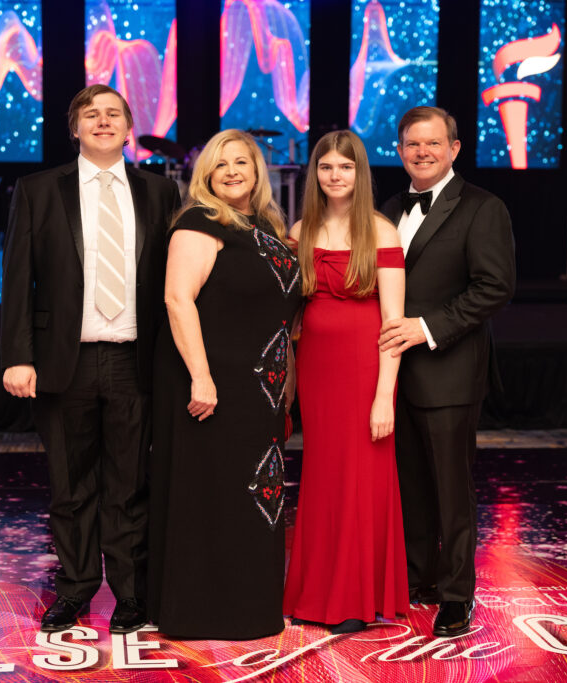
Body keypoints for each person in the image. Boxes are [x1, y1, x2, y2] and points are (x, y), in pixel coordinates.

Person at [0, 84, 181, 634]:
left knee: (130, 486)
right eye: (90, 114)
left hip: (136, 361)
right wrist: (17, 356)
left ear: (129, 128)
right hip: (63, 361)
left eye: (113, 114)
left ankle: (131, 595)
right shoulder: (37, 190)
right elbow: (17, 281)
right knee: (70, 486)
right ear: (74, 128)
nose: (102, 122)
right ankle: (75, 589)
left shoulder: (160, 192)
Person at [149, 129, 302, 640]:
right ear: (206, 176)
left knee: (257, 498)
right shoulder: (200, 223)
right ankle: (204, 613)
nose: (233, 171)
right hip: (214, 388)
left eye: (243, 162)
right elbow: (177, 299)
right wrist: (201, 375)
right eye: (221, 164)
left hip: (260, 394)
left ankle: (250, 608)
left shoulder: (266, 229)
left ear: (258, 171)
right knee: (213, 494)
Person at [378, 106, 515, 637]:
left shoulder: (483, 208)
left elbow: (493, 288)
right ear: (401, 149)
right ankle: (420, 578)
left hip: (450, 370)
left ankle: (457, 596)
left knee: (452, 492)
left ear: (455, 149)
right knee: (410, 486)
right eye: (413, 144)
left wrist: (425, 328)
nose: (422, 153)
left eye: (433, 144)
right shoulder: (389, 207)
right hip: (395, 373)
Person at [282, 131, 408, 634]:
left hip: (366, 370)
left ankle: (355, 599)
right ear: (315, 174)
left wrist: (384, 397)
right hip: (317, 369)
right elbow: (286, 315)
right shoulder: (299, 230)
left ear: (361, 174)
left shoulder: (381, 232)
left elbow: (395, 326)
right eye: (327, 167)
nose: (335, 175)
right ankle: (315, 592)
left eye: (345, 167)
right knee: (323, 478)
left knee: (361, 480)